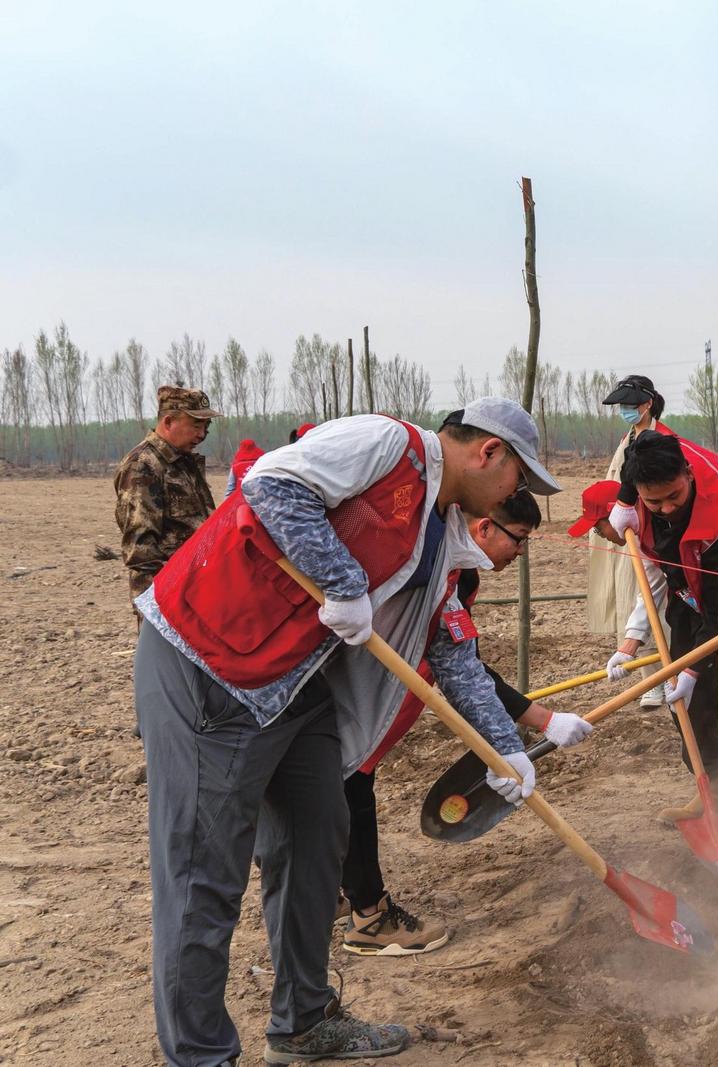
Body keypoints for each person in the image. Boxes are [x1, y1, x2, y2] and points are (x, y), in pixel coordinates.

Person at [132, 397, 560, 1065]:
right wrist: (342, 579)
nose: (517, 495)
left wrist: (504, 746)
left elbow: (450, 648)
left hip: (294, 685)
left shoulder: (440, 528)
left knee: (316, 836)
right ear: (489, 452)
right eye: (520, 480)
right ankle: (200, 1055)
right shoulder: (386, 445)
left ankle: (303, 1021)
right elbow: (271, 483)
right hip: (210, 658)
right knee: (203, 875)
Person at [341, 488, 593, 956]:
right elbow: (464, 670)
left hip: (381, 700)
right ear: (483, 528)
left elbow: (464, 665)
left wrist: (543, 720)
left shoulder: (460, 573)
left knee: (344, 791)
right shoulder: (432, 567)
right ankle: (369, 916)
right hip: (358, 698)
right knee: (351, 791)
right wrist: (539, 721)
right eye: (518, 539)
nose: (520, 553)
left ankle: (336, 887)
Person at [605, 431, 718, 810]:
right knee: (687, 704)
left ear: (688, 473)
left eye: (674, 496)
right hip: (691, 592)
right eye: (654, 502)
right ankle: (709, 790)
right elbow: (637, 449)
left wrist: (695, 669)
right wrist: (624, 496)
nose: (666, 508)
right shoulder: (653, 461)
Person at [588, 374, 671, 707]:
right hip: (626, 532)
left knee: (652, 601)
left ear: (648, 404)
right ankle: (649, 676)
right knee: (635, 598)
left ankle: (659, 679)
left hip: (649, 535)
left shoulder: (657, 441)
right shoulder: (629, 438)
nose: (624, 410)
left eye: (629, 405)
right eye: (621, 406)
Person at [113, 385, 221, 606]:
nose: (202, 435)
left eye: (206, 426)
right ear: (169, 422)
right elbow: (141, 548)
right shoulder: (142, 465)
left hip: (196, 587)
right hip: (168, 597)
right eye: (196, 425)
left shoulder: (183, 463)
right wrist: (162, 601)